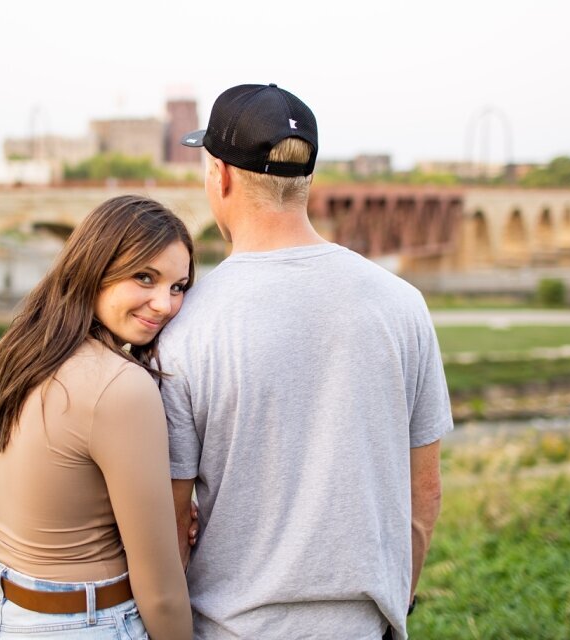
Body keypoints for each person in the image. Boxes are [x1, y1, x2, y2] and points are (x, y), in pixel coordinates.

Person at [160, 84, 452, 639]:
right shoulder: (402, 304)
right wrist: (399, 599)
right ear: (306, 182)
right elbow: (425, 492)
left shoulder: (186, 326)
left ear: (220, 176)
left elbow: (173, 519)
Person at [0, 195, 195, 640]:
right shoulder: (121, 387)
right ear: (95, 268)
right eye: (144, 277)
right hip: (82, 622)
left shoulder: (20, 351)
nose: (164, 304)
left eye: (177, 286)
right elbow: (161, 591)